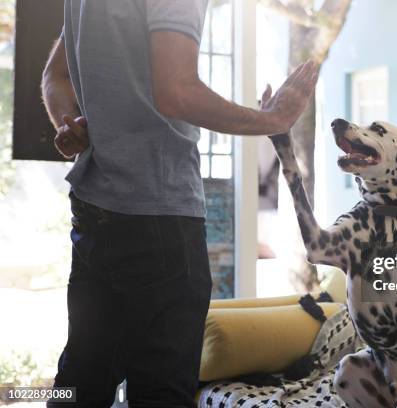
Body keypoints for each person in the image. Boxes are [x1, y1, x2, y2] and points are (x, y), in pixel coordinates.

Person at [41, 1, 317, 407]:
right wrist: (271, 121)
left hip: (95, 210)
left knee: (81, 380)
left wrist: (67, 122)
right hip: (158, 217)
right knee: (161, 391)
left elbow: (55, 75)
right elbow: (176, 92)